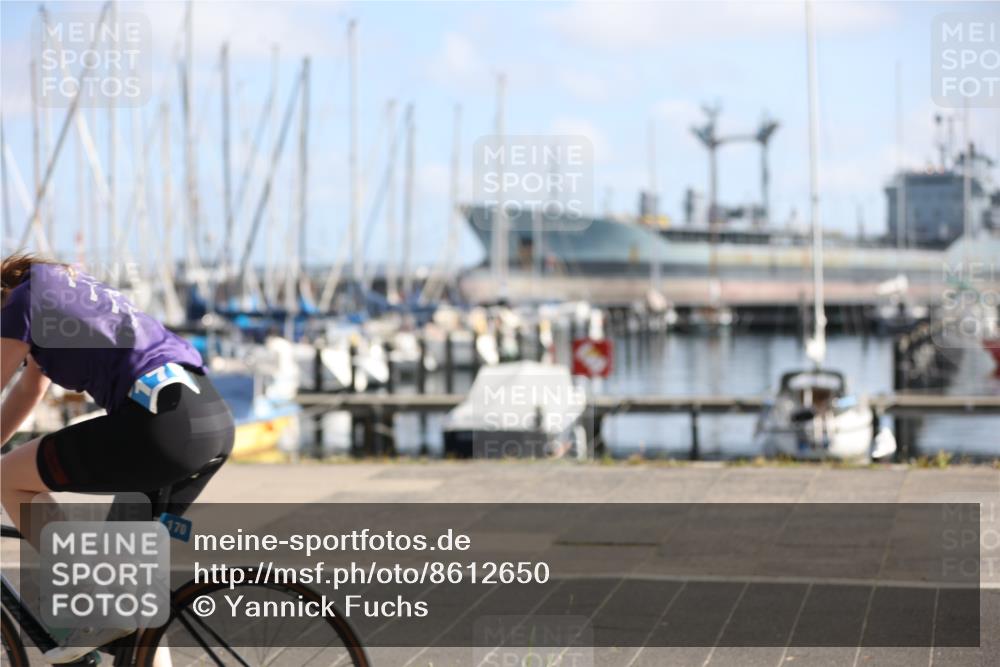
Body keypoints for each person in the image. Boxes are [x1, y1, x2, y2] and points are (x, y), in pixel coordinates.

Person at [0, 254, 234, 664]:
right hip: (207, 417)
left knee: (8, 478)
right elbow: (27, 391)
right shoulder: (59, 288)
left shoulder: (20, 305)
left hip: (160, 426)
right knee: (137, 601)